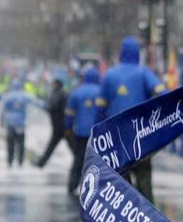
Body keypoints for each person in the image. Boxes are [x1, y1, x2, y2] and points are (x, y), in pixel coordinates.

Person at [98, 36, 164, 201]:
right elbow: (162, 93)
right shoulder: (144, 73)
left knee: (121, 184)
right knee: (144, 183)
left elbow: (100, 108)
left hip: (116, 140)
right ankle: (148, 220)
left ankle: (127, 217)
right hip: (141, 139)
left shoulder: (110, 75)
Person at [64, 66, 103, 194]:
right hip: (98, 134)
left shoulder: (76, 92)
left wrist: (68, 128)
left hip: (80, 133)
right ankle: (96, 189)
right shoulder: (101, 92)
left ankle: (72, 186)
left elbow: (69, 114)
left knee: (78, 160)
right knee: (98, 162)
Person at [0, 83, 38, 167]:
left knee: (10, 143)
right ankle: (20, 161)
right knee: (21, 144)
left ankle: (10, 161)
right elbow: (36, 102)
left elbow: (2, 110)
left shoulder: (8, 96)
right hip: (21, 124)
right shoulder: (24, 96)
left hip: (10, 124)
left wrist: (1, 122)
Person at [33, 77, 67, 168]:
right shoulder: (63, 93)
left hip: (59, 125)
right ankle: (41, 162)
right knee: (72, 147)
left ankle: (41, 163)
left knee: (52, 146)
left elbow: (53, 106)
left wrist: (46, 107)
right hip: (61, 125)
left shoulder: (57, 94)